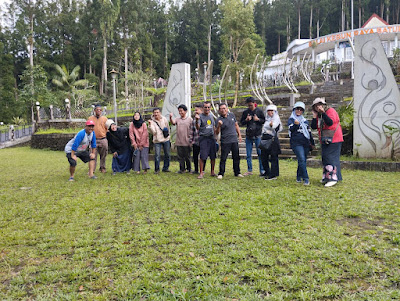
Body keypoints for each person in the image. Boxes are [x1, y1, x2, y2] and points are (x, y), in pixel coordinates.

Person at [311, 97, 344, 187]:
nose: (318, 107)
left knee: (330, 157)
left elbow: (330, 122)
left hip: (334, 138)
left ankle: (333, 178)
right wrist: (314, 116)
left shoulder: (330, 111)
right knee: (325, 157)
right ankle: (329, 176)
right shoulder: (318, 115)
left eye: (320, 105)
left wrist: (323, 113)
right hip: (325, 139)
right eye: (316, 106)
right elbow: (313, 126)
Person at [288, 101, 315, 185]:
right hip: (296, 143)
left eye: (301, 109)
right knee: (302, 159)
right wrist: (296, 125)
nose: (299, 111)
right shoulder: (291, 119)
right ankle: (306, 178)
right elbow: (291, 130)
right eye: (297, 109)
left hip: (305, 143)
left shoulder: (305, 121)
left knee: (302, 160)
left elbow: (309, 132)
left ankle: (298, 176)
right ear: (294, 109)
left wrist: (312, 143)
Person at [215, 103, 243, 179]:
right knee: (223, 158)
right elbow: (216, 132)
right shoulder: (218, 120)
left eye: (224, 108)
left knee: (236, 157)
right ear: (219, 110)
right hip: (225, 141)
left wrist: (239, 135)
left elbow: (236, 125)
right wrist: (218, 125)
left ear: (227, 109)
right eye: (221, 109)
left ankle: (237, 172)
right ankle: (221, 173)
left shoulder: (232, 115)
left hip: (234, 140)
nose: (223, 110)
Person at [240, 97, 266, 176]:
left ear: (254, 103)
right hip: (249, 135)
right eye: (248, 105)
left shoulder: (259, 111)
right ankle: (249, 170)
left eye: (251, 105)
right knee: (248, 154)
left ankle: (262, 170)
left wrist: (258, 119)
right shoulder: (246, 112)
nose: (250, 107)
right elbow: (241, 122)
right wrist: (246, 120)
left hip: (258, 134)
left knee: (260, 153)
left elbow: (264, 120)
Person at [195, 101, 217, 179]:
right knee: (202, 156)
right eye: (205, 107)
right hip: (203, 138)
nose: (207, 109)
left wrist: (215, 136)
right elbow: (198, 128)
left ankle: (212, 172)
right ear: (203, 108)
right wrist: (197, 120)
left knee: (213, 156)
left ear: (210, 108)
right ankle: (201, 172)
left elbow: (213, 126)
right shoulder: (200, 117)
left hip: (211, 138)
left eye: (208, 107)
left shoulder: (211, 116)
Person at [260, 104, 282, 180]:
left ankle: (273, 174)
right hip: (265, 138)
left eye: (271, 111)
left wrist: (272, 125)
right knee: (263, 156)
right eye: (268, 111)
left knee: (273, 157)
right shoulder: (267, 119)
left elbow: (276, 128)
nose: (270, 112)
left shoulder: (276, 119)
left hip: (272, 139)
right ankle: (267, 172)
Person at [170, 104, 193, 173]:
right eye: (179, 111)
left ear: (185, 111)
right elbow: (173, 123)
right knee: (180, 157)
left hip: (187, 141)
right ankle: (182, 169)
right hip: (179, 141)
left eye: (181, 111)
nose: (180, 112)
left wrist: (191, 140)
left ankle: (189, 169)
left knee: (187, 157)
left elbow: (192, 130)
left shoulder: (190, 119)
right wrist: (170, 117)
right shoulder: (177, 119)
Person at [148, 107, 171, 174]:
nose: (156, 114)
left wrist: (168, 136)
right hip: (157, 140)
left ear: (160, 113)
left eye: (157, 112)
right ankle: (157, 169)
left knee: (167, 154)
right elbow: (153, 132)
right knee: (157, 155)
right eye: (155, 113)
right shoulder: (152, 121)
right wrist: (150, 126)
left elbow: (167, 128)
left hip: (165, 139)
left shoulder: (164, 119)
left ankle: (165, 168)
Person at [88, 105, 108, 173]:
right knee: (93, 154)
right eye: (97, 110)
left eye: (100, 110)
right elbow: (87, 128)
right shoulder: (90, 118)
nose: (98, 111)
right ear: (94, 111)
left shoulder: (105, 119)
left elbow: (107, 128)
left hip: (103, 139)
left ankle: (102, 168)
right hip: (93, 139)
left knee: (103, 155)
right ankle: (92, 169)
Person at [190, 103, 206, 174]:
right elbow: (192, 130)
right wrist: (191, 140)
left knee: (203, 155)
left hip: (203, 140)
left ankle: (202, 170)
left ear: (201, 110)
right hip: (196, 140)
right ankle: (196, 169)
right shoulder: (194, 120)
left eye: (197, 110)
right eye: (195, 110)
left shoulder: (205, 117)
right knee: (195, 156)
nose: (196, 111)